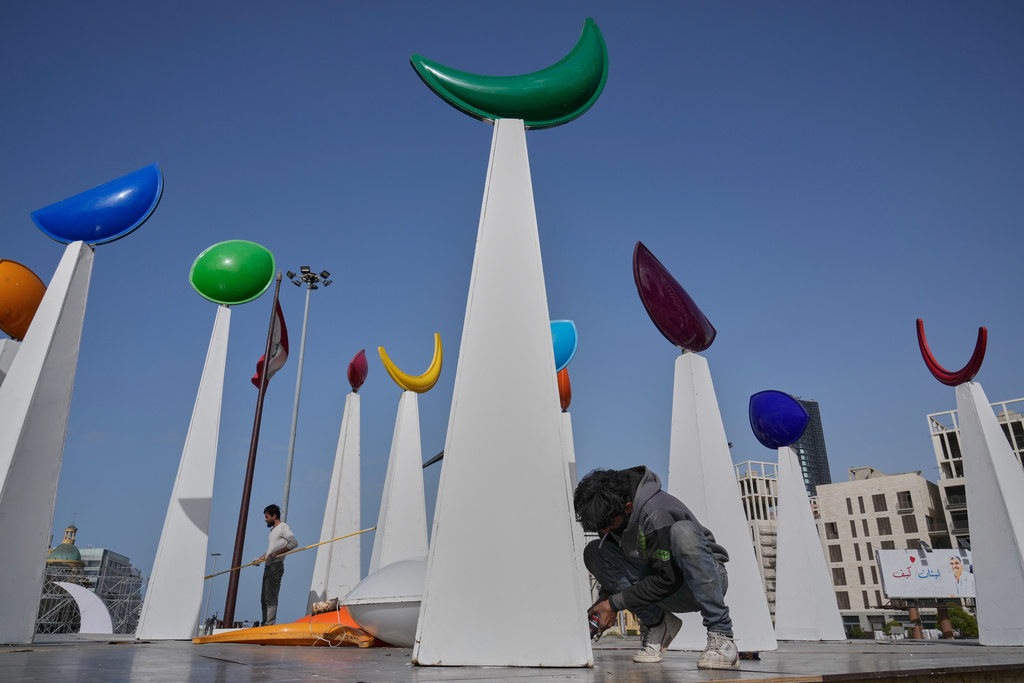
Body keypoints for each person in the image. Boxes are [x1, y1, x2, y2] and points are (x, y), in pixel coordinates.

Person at [574, 466, 738, 669]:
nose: (603, 530)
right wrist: (606, 600)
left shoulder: (656, 513)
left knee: (683, 533)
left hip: (704, 581)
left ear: (627, 507)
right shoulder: (610, 514)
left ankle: (722, 636)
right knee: (594, 552)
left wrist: (614, 604)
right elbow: (621, 569)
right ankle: (658, 624)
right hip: (663, 586)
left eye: (606, 524)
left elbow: (668, 579)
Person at [254, 504, 298, 626]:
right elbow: (270, 551)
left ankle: (269, 626)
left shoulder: (284, 527)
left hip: (276, 567)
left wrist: (276, 553)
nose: (265, 519)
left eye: (267, 517)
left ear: (274, 516)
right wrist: (260, 558)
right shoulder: (273, 530)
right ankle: (264, 625)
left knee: (270, 599)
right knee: (264, 600)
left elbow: (294, 543)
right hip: (268, 566)